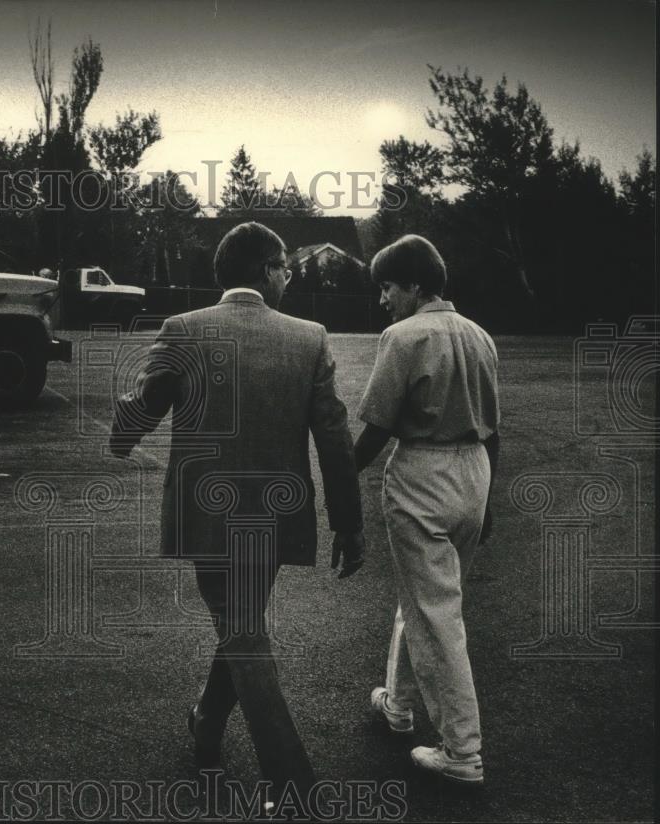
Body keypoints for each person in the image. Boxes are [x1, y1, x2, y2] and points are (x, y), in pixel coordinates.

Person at [110, 221, 365, 805]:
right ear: (267, 271)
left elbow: (142, 411)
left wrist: (121, 430)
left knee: (241, 629)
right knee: (245, 626)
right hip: (277, 520)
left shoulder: (182, 330)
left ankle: (214, 728)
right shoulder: (310, 337)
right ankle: (282, 778)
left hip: (207, 517)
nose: (289, 278)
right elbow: (334, 438)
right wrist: (348, 524)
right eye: (285, 269)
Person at [354, 234, 499, 786]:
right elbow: (496, 428)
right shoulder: (480, 335)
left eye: (388, 286)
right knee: (422, 596)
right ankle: (397, 705)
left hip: (424, 473)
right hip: (474, 472)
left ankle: (463, 751)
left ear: (414, 285)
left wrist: (339, 475)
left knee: (435, 611)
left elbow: (378, 427)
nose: (384, 298)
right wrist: (489, 503)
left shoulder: (404, 335)